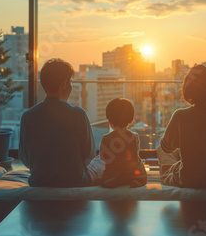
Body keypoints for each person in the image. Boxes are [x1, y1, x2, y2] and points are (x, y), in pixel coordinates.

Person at [19, 58, 104, 187]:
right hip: (76, 181)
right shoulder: (78, 114)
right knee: (101, 162)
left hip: (39, 182)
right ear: (64, 84)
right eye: (70, 81)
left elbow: (25, 158)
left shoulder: (27, 116)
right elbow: (89, 156)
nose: (71, 85)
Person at [99, 98, 147, 188]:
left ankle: (114, 181)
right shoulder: (134, 136)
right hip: (131, 174)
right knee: (140, 167)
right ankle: (136, 181)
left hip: (113, 173)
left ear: (109, 120)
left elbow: (103, 158)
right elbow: (134, 158)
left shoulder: (106, 138)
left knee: (103, 177)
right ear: (131, 119)